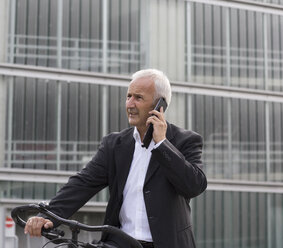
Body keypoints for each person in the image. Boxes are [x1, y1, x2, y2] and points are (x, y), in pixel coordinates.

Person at [24, 69, 207, 248]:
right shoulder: (114, 144)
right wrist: (49, 215)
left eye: (139, 98)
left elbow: (194, 186)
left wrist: (161, 144)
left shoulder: (186, 141)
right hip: (120, 242)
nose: (130, 104)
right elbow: (83, 183)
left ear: (159, 105)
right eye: (128, 96)